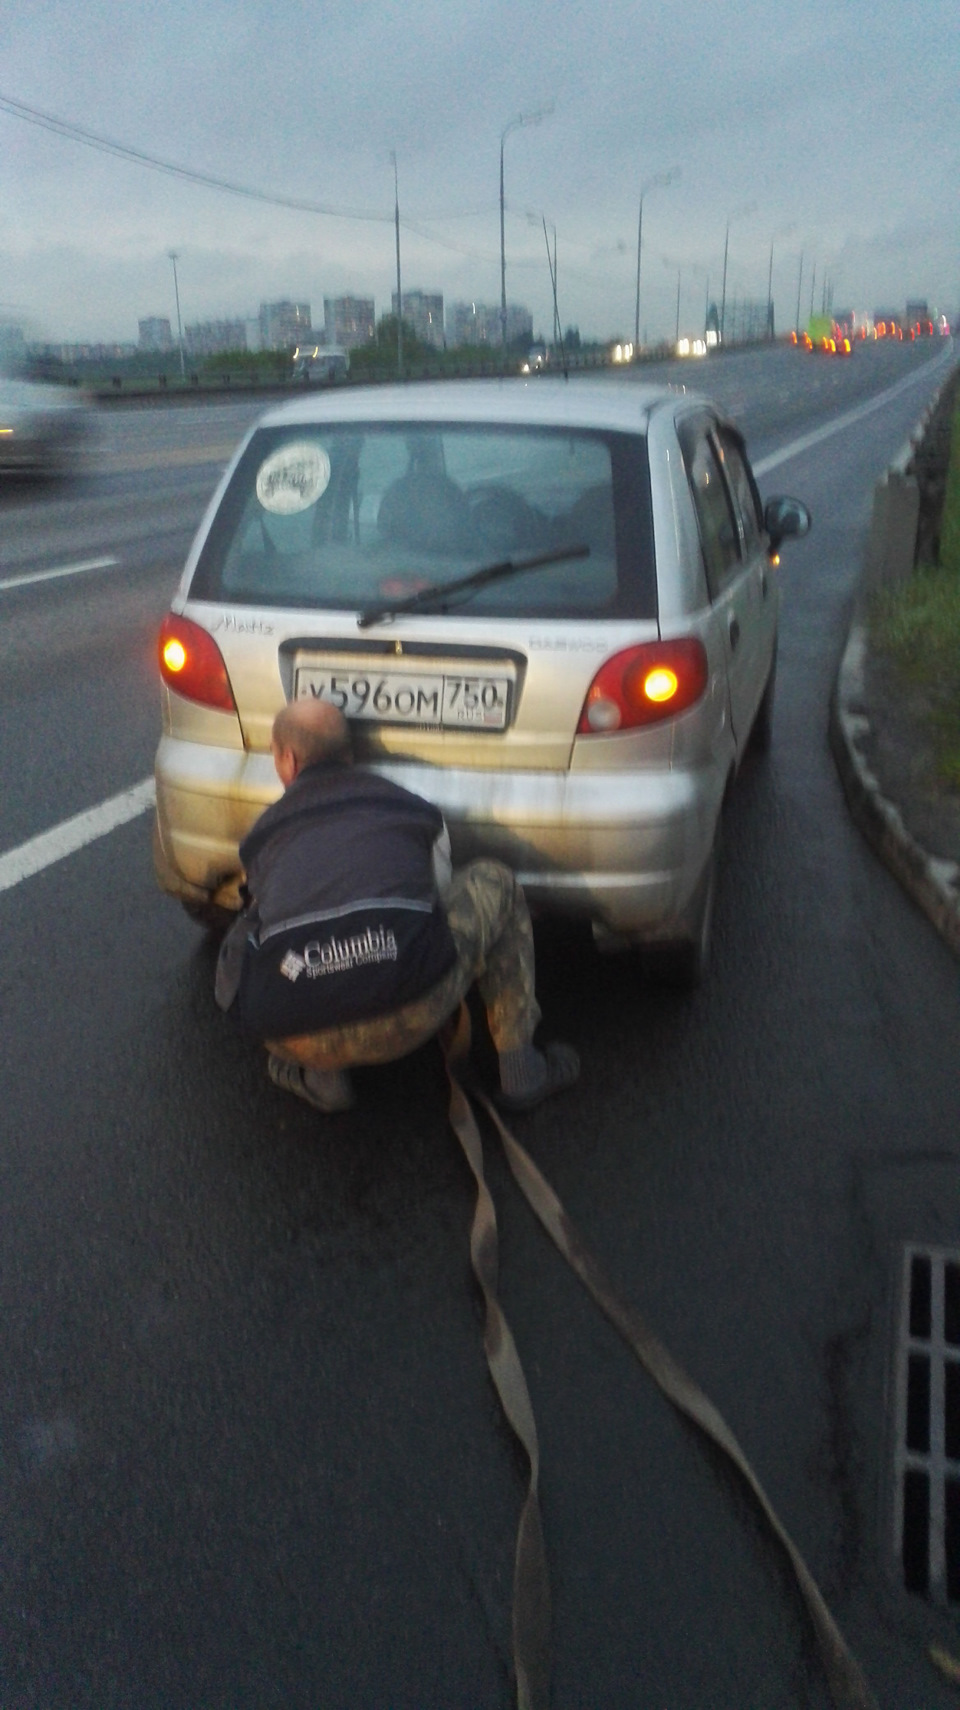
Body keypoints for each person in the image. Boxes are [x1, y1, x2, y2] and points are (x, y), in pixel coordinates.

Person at [215, 697, 579, 1115]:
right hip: (411, 1010)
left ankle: (321, 1075)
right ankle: (520, 1072)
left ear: (287, 761)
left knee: (248, 930)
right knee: (494, 880)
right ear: (350, 756)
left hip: (297, 1034)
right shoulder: (407, 807)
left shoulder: (261, 837)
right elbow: (437, 898)